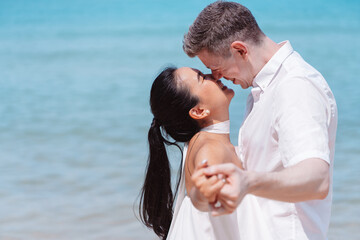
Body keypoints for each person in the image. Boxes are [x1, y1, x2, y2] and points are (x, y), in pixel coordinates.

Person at [183, 1, 338, 240]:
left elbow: (317, 180)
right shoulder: (262, 91)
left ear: (240, 50)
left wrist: (248, 181)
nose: (217, 78)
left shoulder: (295, 86)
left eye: (217, 68)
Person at [139, 66, 243, 239]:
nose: (213, 76)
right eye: (202, 78)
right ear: (199, 111)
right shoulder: (208, 148)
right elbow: (207, 193)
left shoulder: (201, 142)